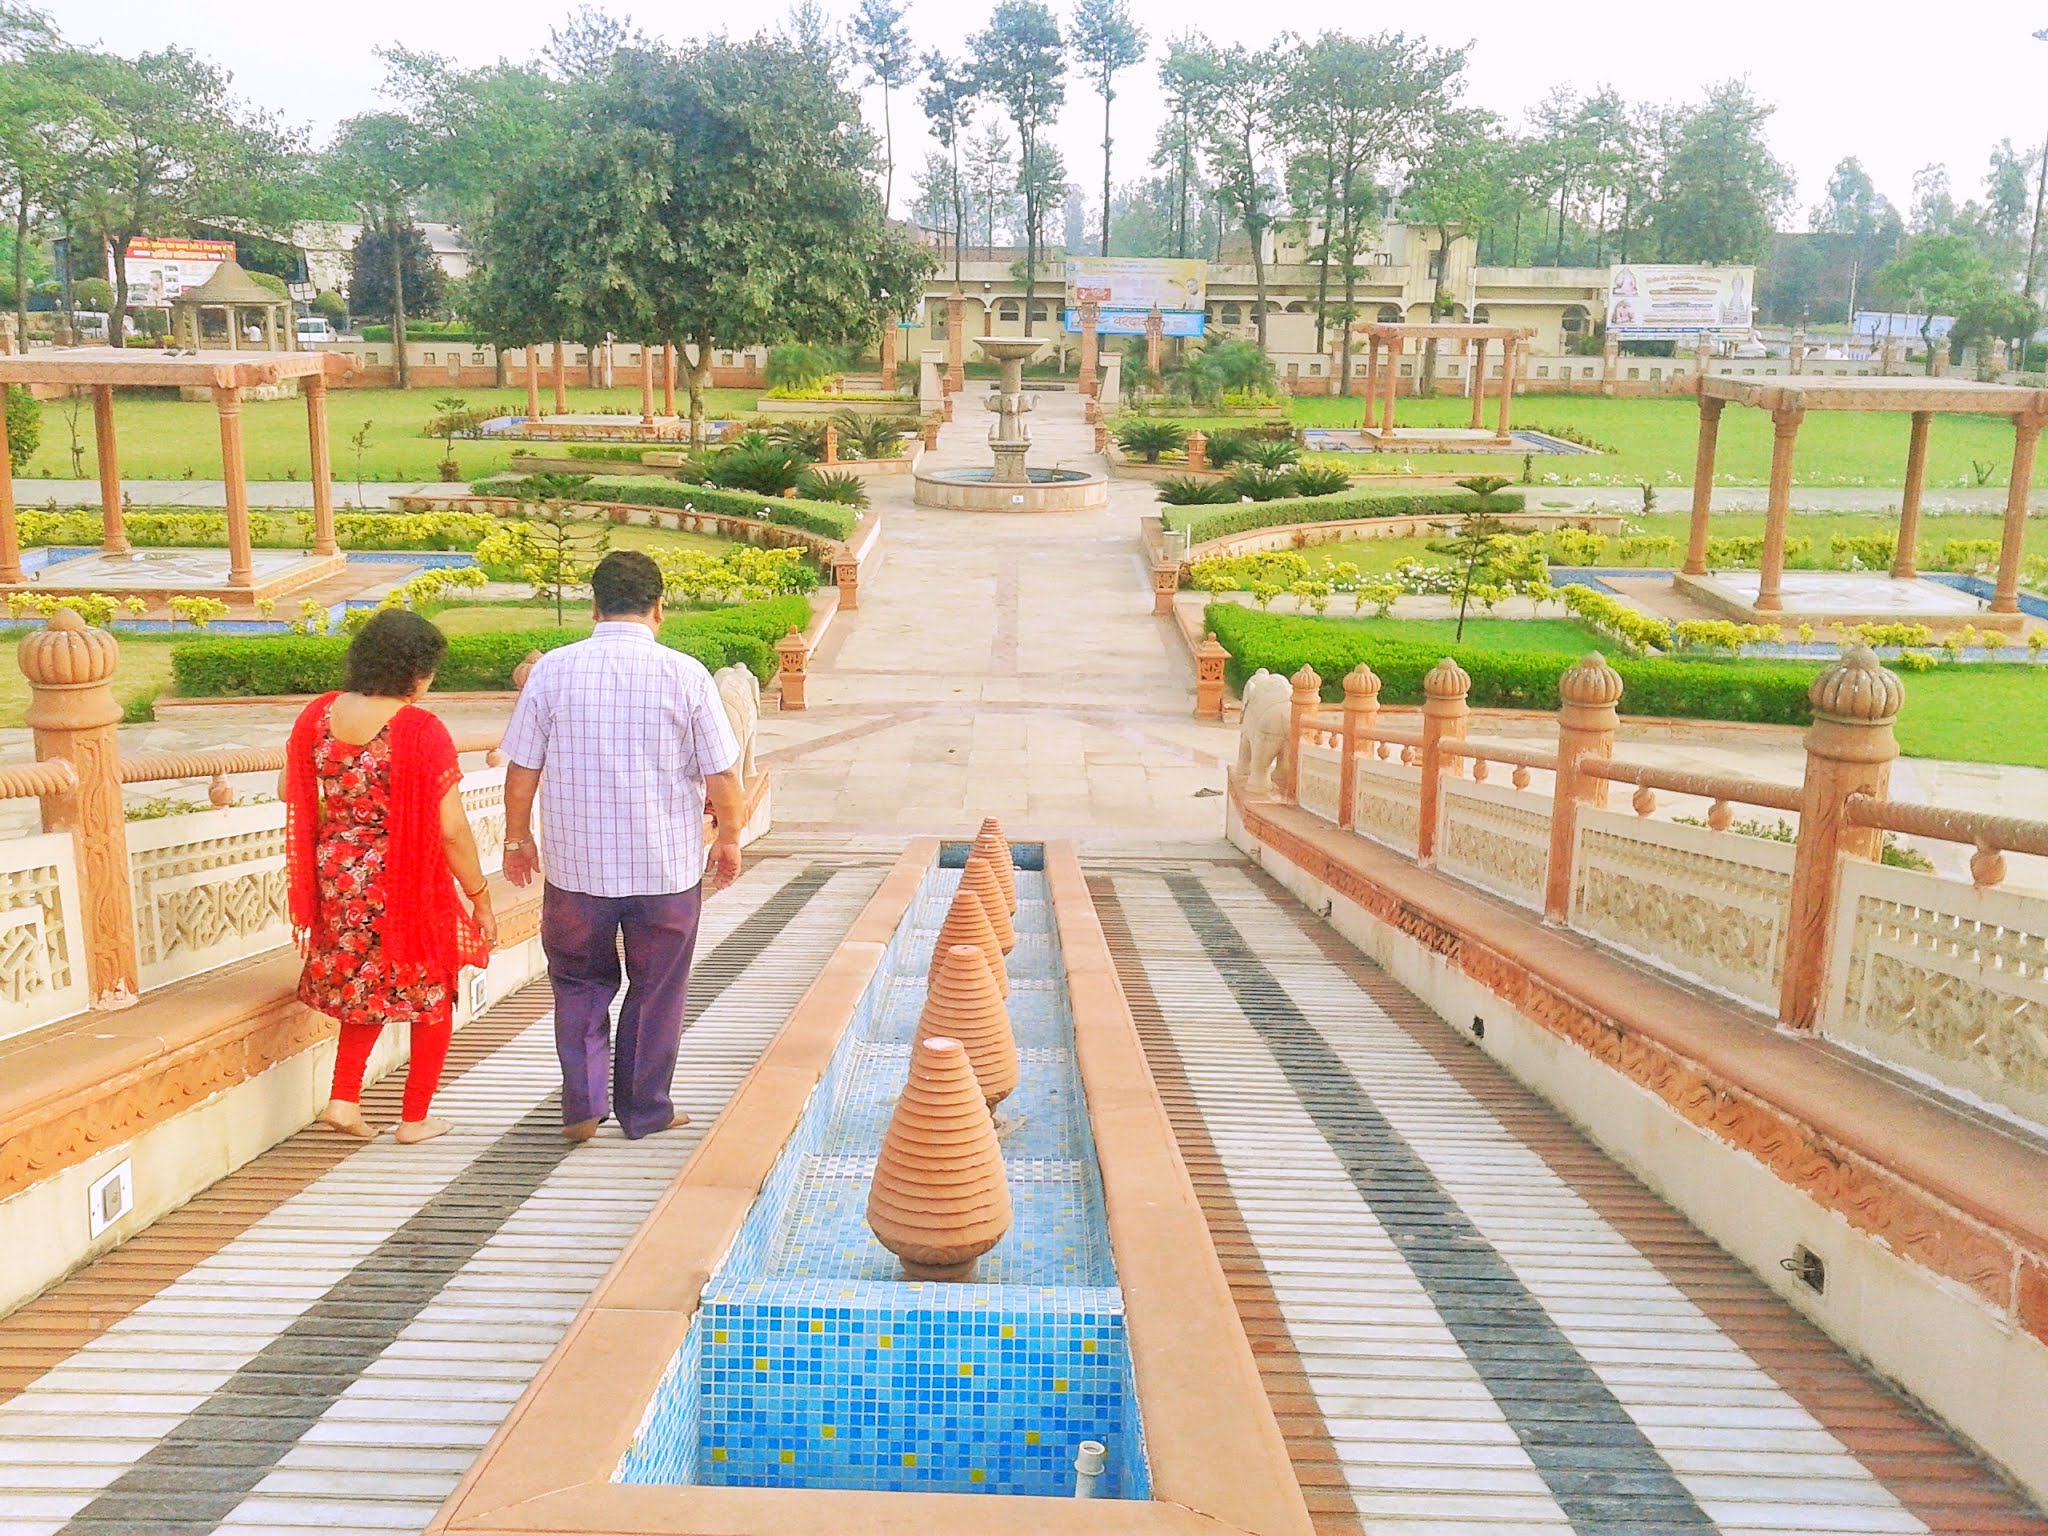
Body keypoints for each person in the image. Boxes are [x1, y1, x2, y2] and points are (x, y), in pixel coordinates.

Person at [500, 550, 745, 1142]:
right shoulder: (685, 675)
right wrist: (730, 839)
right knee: (658, 989)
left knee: (579, 982)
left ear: (594, 606)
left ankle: (583, 1104)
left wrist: (516, 839)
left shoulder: (552, 671)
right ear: (660, 609)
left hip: (575, 870)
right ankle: (644, 1111)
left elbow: (521, 770)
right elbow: (723, 778)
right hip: (665, 870)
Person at [283, 610, 495, 1145]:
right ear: (415, 671)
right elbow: (451, 831)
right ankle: (415, 1117)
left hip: (338, 875)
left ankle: (343, 1100)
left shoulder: (318, 714)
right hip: (404, 877)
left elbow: (292, 789)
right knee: (433, 987)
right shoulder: (419, 728)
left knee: (364, 982)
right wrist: (480, 896)